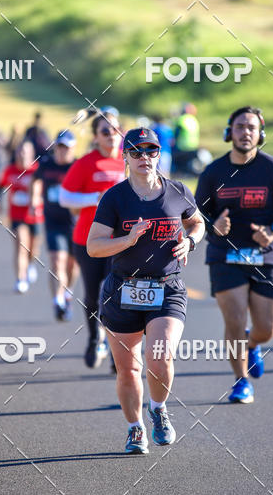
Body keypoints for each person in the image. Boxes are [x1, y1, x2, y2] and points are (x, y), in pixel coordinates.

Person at [87, 126, 205, 454]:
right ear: (124, 156)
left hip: (167, 288)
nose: (144, 157)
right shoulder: (115, 198)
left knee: (159, 355)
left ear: (159, 154)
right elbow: (93, 247)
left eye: (150, 151)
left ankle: (158, 407)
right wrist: (127, 240)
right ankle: (135, 428)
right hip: (122, 290)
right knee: (129, 370)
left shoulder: (177, 191)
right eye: (136, 152)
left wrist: (191, 241)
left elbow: (198, 222)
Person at [195, 106, 273, 405]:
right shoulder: (214, 172)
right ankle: (241, 381)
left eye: (252, 127)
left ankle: (254, 344)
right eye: (240, 126)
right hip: (225, 255)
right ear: (230, 132)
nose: (245, 132)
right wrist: (214, 226)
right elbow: (197, 211)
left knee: (267, 329)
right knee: (235, 321)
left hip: (267, 255)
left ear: (260, 133)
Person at [60, 110, 125, 369]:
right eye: (105, 132)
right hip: (87, 240)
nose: (111, 136)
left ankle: (114, 350)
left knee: (115, 294)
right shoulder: (86, 163)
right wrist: (93, 199)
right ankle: (93, 338)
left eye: (116, 130)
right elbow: (64, 197)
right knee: (92, 296)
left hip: (120, 241)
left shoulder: (128, 161)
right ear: (96, 137)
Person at [30, 130, 79, 321]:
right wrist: (34, 200)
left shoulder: (77, 166)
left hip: (75, 223)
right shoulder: (46, 165)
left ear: (73, 149)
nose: (62, 151)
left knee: (72, 265)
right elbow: (35, 181)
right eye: (59, 147)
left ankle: (67, 292)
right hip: (53, 222)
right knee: (57, 260)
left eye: (66, 148)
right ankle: (57, 300)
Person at [0, 141, 43, 293]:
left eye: (26, 151)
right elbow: (1, 186)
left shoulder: (37, 171)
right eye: (20, 151)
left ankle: (30, 264)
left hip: (35, 216)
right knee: (21, 246)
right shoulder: (10, 170)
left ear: (31, 154)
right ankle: (20, 278)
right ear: (16, 153)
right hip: (16, 216)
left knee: (33, 249)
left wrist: (36, 200)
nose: (23, 154)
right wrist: (1, 206)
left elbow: (44, 191)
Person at [172, 103, 200, 174]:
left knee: (178, 160)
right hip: (194, 145)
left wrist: (174, 140)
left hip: (183, 146)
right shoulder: (195, 120)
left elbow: (177, 131)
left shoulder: (182, 119)